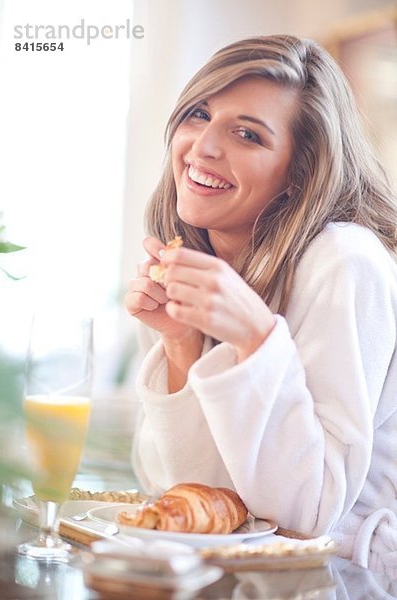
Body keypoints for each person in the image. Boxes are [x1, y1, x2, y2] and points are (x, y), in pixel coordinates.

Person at [125, 34, 397, 572]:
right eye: (199, 114)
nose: (203, 147)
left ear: (300, 174)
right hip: (238, 576)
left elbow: (307, 511)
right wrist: (181, 346)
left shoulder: (345, 261)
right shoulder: (192, 263)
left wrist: (256, 339)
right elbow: (190, 496)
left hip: (339, 578)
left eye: (248, 135)